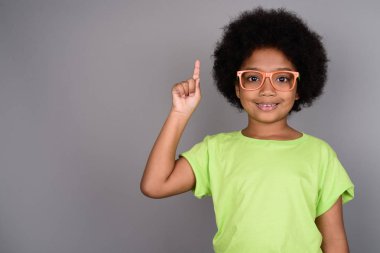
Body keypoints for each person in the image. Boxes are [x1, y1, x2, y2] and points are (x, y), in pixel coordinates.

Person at [140, 7, 355, 253]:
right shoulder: (215, 150)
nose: (267, 89)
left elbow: (335, 241)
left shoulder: (320, 154)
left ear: (298, 88)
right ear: (237, 87)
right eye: (253, 78)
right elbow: (155, 185)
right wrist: (180, 113)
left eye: (282, 78)